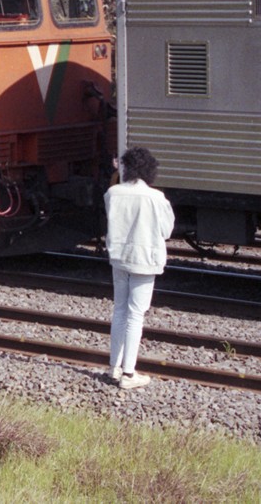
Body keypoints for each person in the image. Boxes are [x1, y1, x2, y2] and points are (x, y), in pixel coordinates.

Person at [104, 146, 175, 390]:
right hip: (145, 259)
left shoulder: (112, 194)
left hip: (119, 258)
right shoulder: (157, 198)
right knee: (136, 315)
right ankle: (129, 373)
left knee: (120, 310)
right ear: (150, 170)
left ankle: (113, 367)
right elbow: (166, 231)